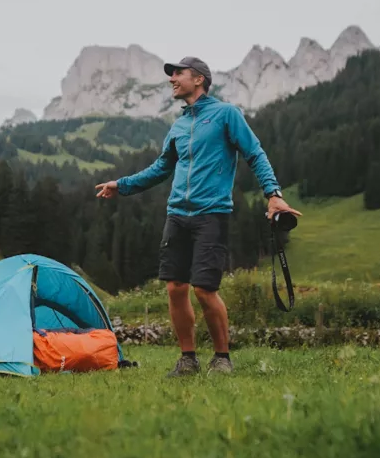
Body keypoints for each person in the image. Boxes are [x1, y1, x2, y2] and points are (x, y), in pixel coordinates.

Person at [96, 56, 301, 377]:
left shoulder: (226, 115)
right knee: (175, 288)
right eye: (171, 74)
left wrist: (273, 194)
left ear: (199, 79)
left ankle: (222, 358)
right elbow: (161, 168)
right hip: (177, 216)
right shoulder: (179, 125)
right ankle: (188, 359)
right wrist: (120, 185)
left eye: (178, 73)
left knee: (205, 289)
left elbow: (254, 152)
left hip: (212, 215)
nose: (172, 79)